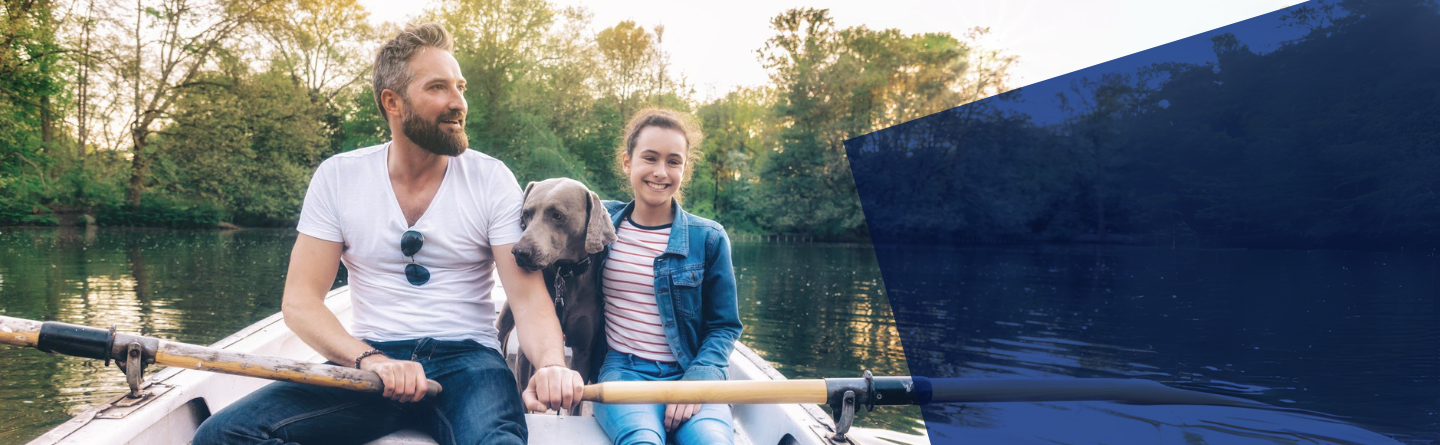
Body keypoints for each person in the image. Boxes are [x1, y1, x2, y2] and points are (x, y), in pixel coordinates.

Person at [193, 23, 583, 445]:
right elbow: (301, 302)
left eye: (460, 86)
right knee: (223, 435)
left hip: (470, 363)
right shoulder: (339, 177)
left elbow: (527, 300)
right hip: (370, 361)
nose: (458, 102)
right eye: (438, 87)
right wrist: (370, 359)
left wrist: (549, 365)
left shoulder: (490, 178)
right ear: (393, 102)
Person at [586, 108, 743, 445]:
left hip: (692, 372)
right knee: (643, 440)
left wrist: (697, 381)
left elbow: (724, 326)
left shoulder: (709, 238)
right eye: (650, 158)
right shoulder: (599, 224)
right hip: (623, 372)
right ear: (627, 162)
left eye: (673, 161)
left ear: (684, 169)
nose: (661, 172)